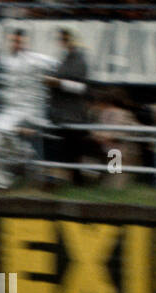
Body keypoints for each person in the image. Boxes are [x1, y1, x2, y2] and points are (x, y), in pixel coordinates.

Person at [0, 29, 55, 189]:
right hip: (8, 112)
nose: (15, 44)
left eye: (18, 41)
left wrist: (49, 80)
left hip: (28, 111)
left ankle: (22, 157)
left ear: (25, 42)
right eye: (13, 41)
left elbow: (54, 67)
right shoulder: (5, 62)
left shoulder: (36, 61)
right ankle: (2, 178)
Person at [46, 28, 89, 185]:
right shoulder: (65, 59)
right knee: (67, 150)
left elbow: (81, 87)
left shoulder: (78, 60)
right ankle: (71, 180)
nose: (62, 42)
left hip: (74, 114)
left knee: (74, 151)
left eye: (64, 39)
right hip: (62, 113)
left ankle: (78, 181)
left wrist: (57, 83)